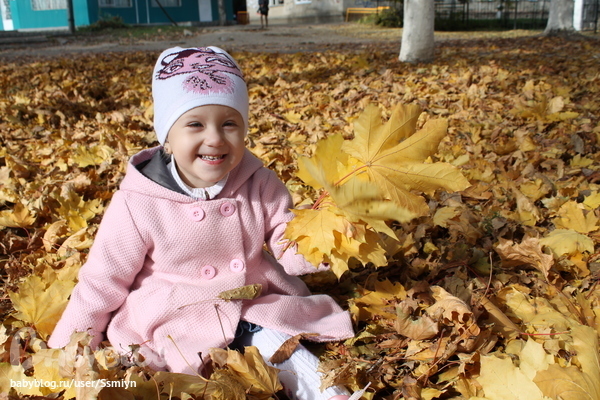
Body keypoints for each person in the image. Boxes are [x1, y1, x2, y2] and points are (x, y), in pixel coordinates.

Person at [48, 46, 356, 400]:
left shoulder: (259, 182)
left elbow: (286, 238)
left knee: (269, 336)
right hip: (174, 312)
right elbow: (104, 278)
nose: (215, 138)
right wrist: (70, 346)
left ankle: (323, 392)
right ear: (167, 137)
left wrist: (324, 241)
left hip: (249, 299)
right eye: (195, 124)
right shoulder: (139, 202)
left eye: (229, 124)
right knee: (180, 373)